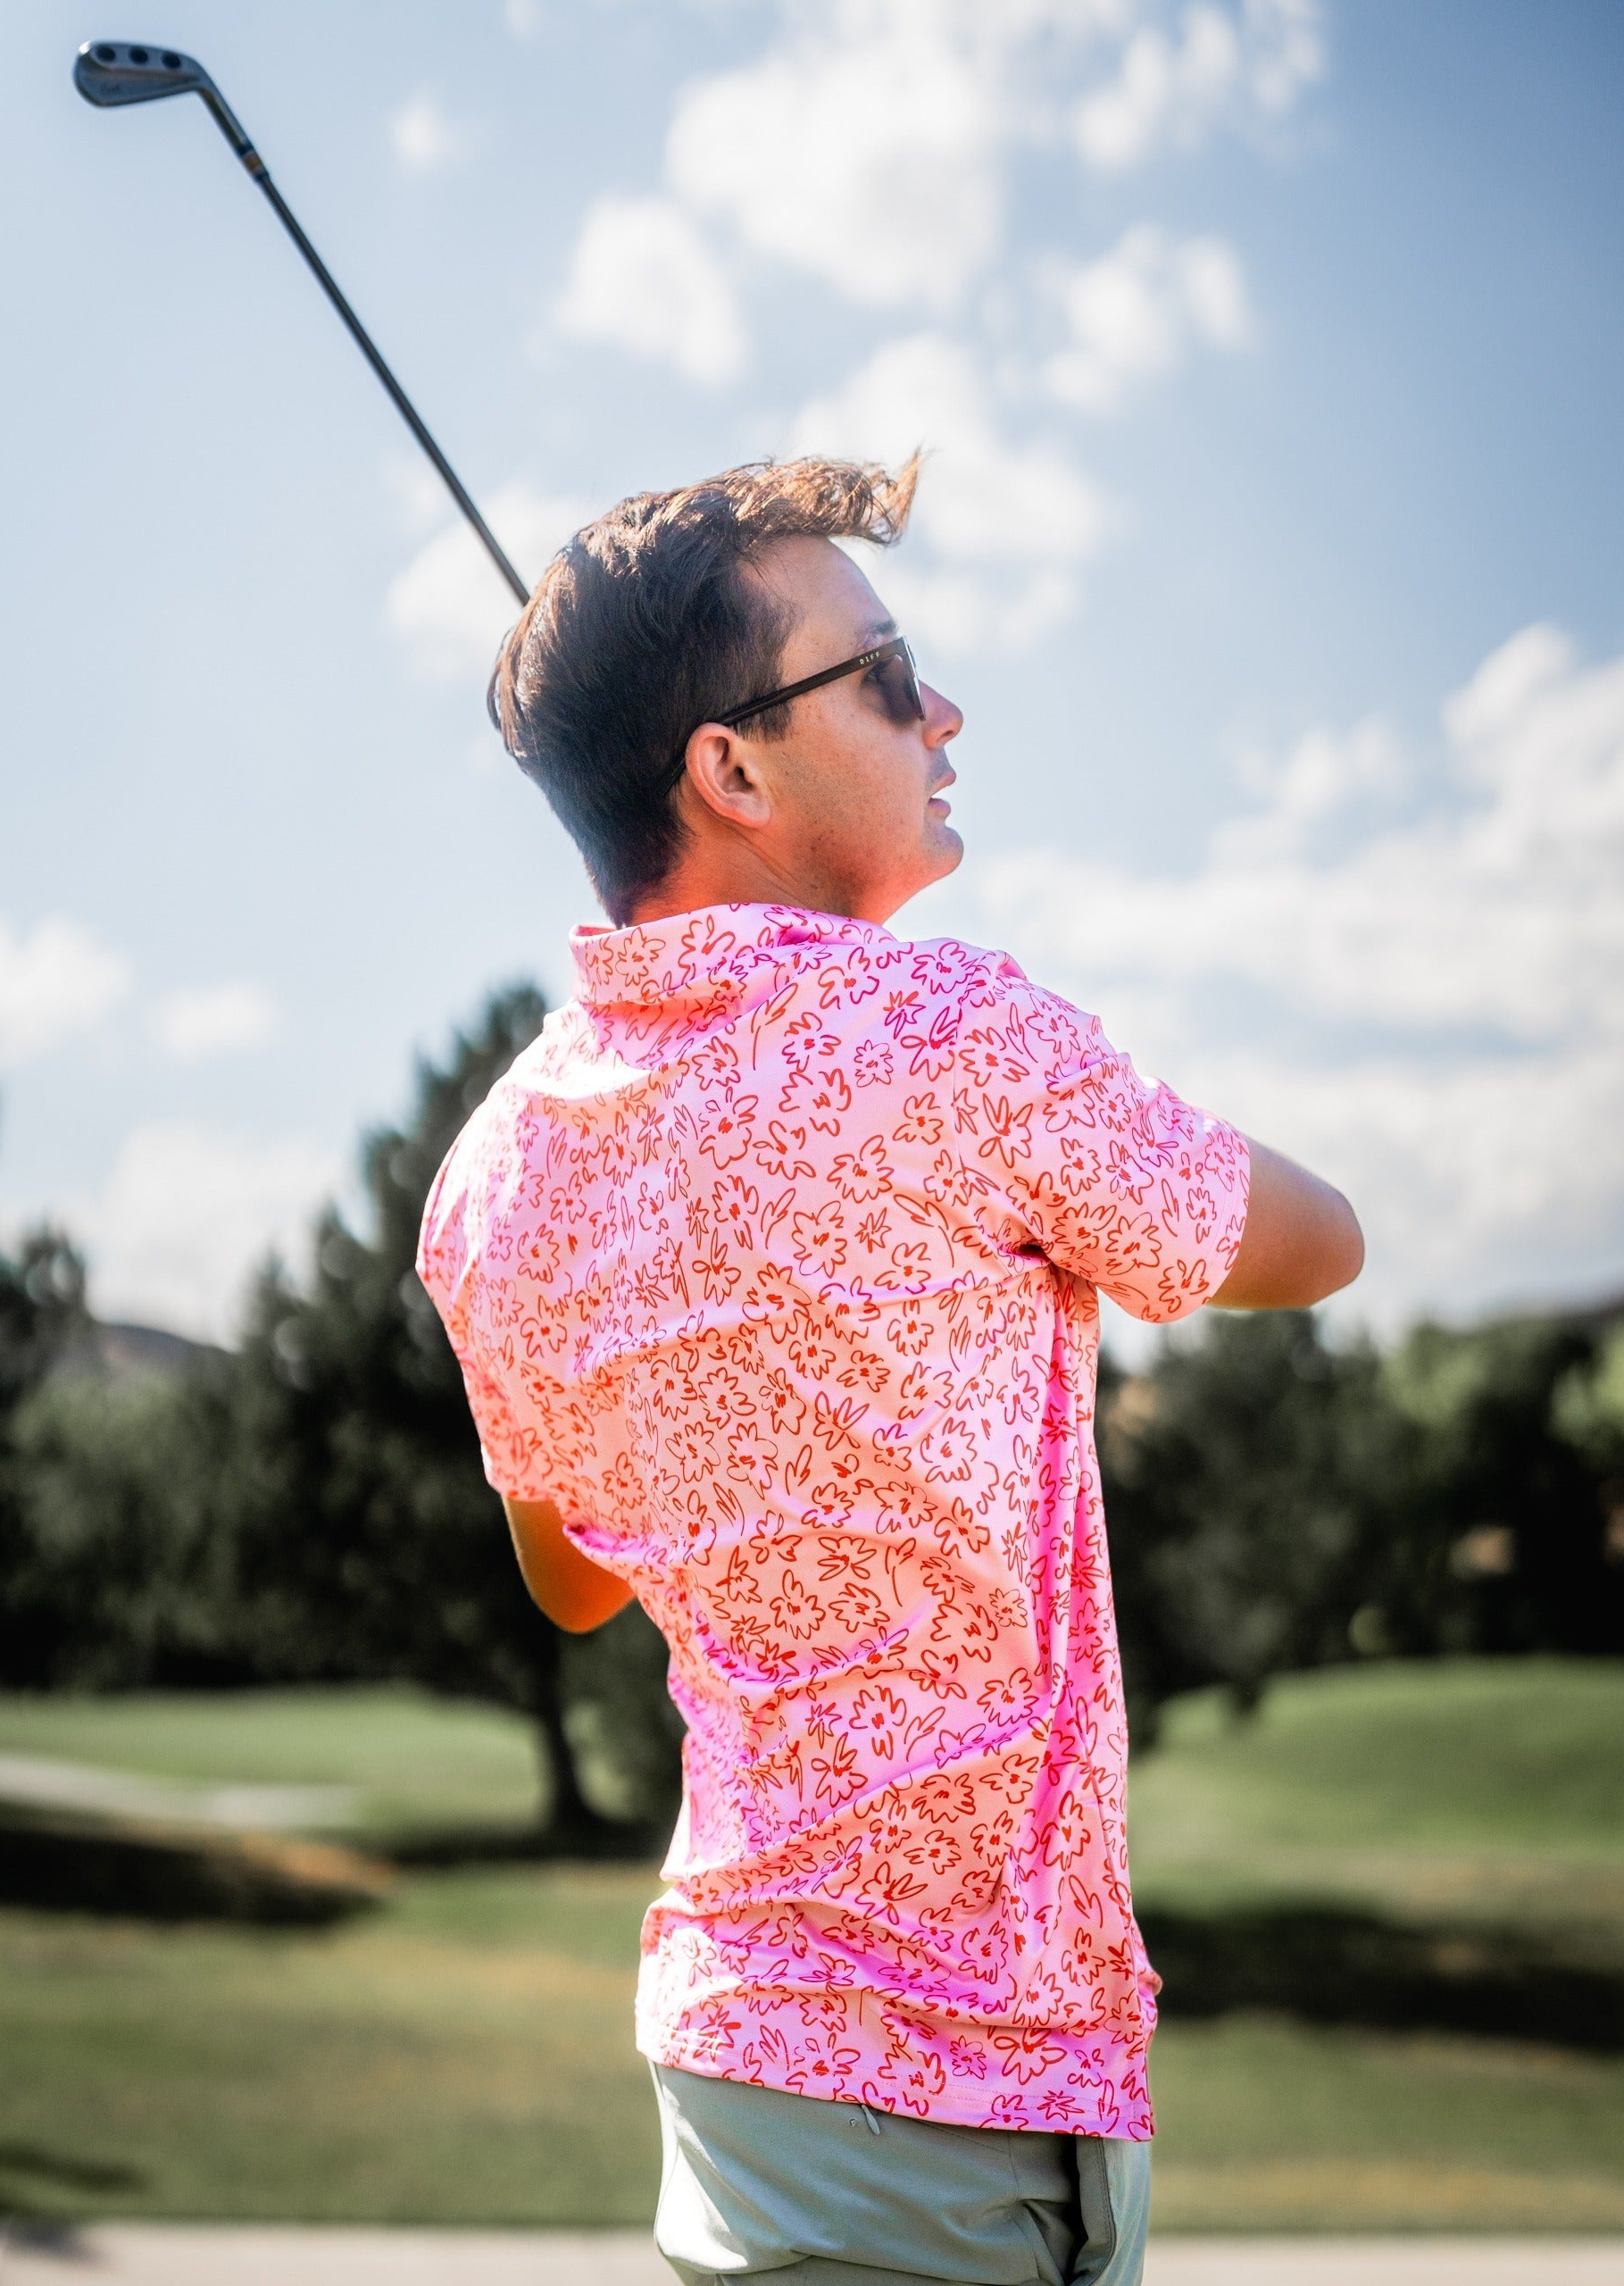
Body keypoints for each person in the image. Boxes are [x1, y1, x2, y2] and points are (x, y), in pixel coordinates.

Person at [417, 457, 1363, 2286]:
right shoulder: (961, 1038)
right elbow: (1324, 1240)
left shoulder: (491, 1174)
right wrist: (1058, 1136)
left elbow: (576, 1577)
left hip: (744, 2063)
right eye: (886, 672)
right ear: (731, 771)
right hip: (946, 2106)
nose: (944, 713)